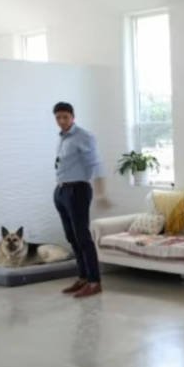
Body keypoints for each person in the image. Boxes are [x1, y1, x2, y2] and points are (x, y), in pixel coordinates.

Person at [53, 101, 110, 298]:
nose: (61, 121)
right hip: (61, 191)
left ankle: (95, 282)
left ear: (73, 117)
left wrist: (101, 193)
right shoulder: (63, 138)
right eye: (58, 117)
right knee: (71, 236)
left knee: (82, 236)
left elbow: (97, 164)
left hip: (78, 190)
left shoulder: (84, 137)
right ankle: (83, 277)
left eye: (65, 117)